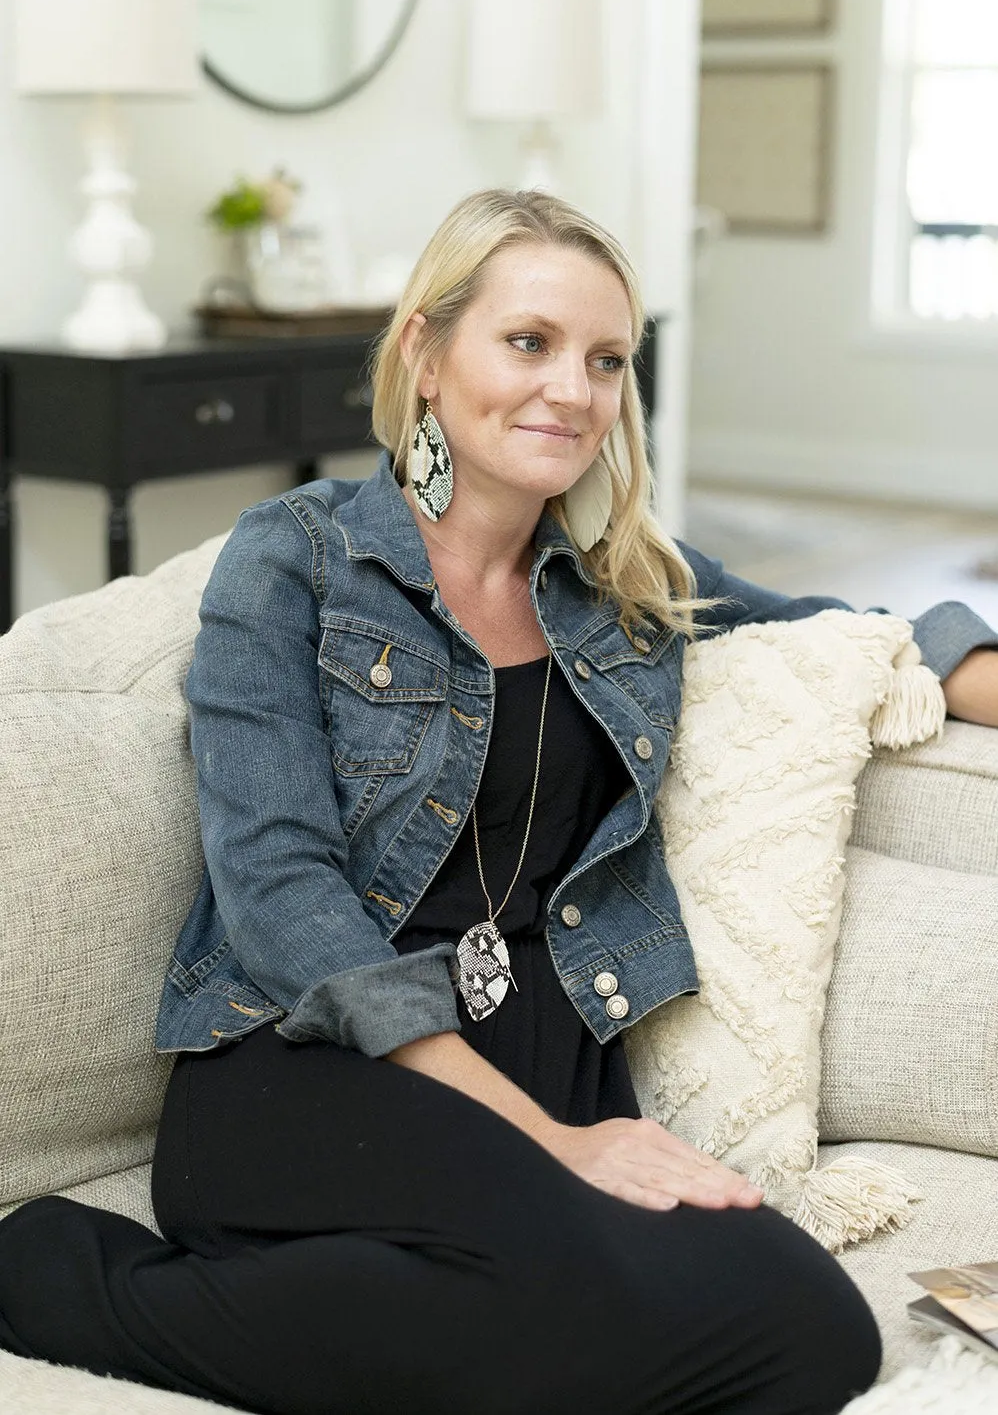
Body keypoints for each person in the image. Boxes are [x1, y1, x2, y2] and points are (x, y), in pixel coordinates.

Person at [2, 189, 997, 1415]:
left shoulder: (622, 577)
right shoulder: (297, 560)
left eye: (604, 360)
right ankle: (70, 1278)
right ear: (425, 354)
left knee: (807, 1329)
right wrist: (553, 1142)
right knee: (609, 1308)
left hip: (547, 1041)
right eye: (527, 343)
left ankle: (282, 1308)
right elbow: (278, 891)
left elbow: (861, 635)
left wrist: (968, 665)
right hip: (314, 1062)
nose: (571, 392)